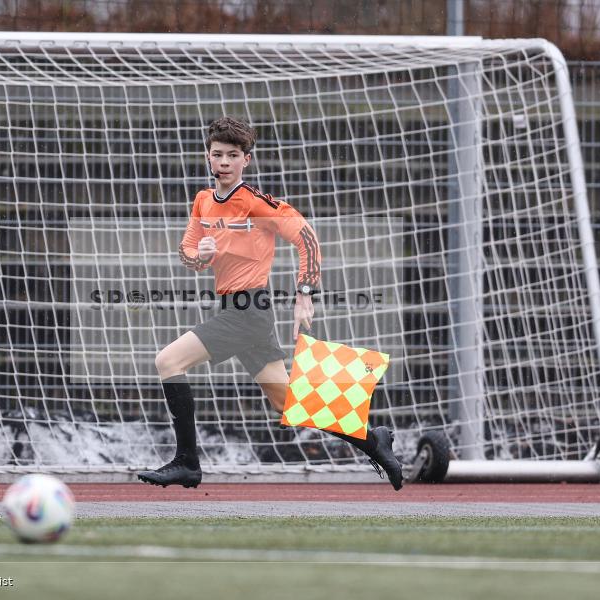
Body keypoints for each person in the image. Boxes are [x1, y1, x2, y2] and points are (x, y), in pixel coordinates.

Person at [136, 116, 403, 490]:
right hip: (234, 310)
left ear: (247, 159)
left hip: (250, 312)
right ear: (207, 157)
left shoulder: (257, 203)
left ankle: (187, 463)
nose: (224, 161)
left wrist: (304, 294)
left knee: (168, 360)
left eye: (233, 155)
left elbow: (306, 236)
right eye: (218, 154)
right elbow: (187, 252)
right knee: (287, 402)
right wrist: (201, 254)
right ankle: (375, 442)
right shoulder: (202, 201)